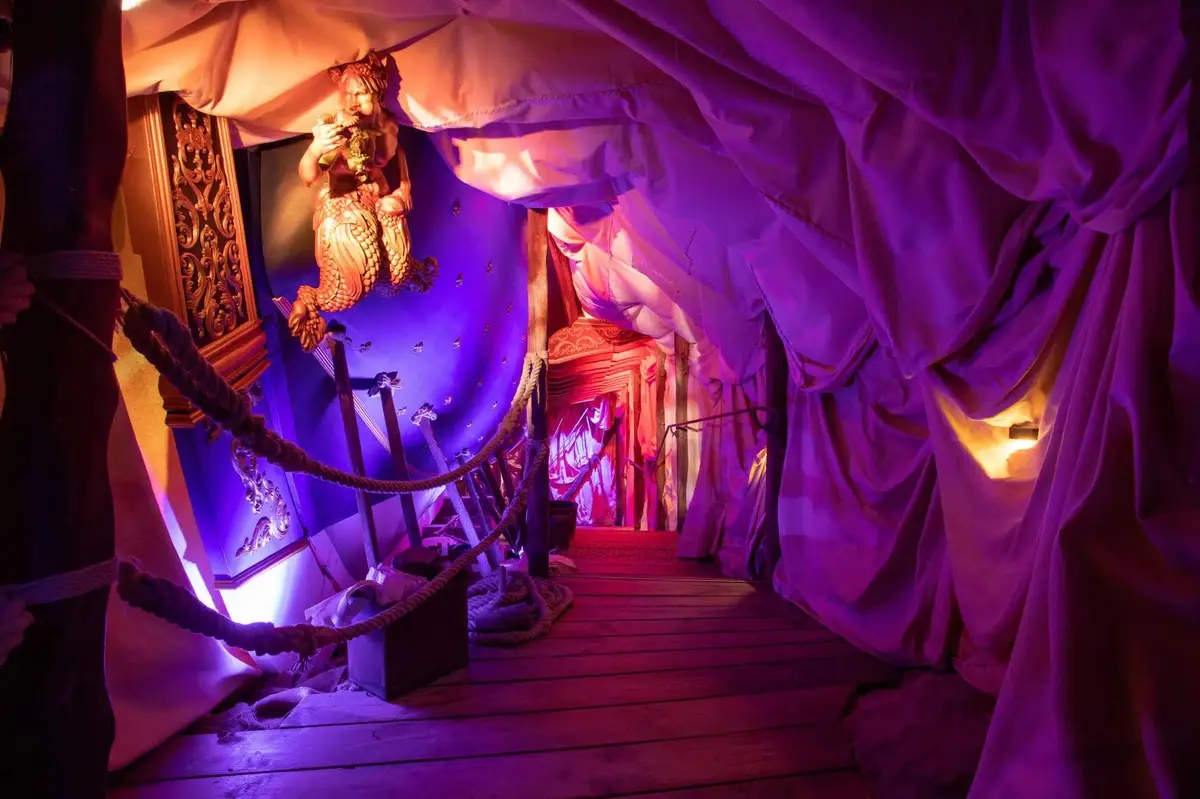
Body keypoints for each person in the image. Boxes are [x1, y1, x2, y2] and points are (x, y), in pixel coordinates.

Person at [285, 51, 436, 351]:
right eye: (347, 94)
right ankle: (311, 301)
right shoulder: (338, 130)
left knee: (395, 278)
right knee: (353, 288)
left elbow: (398, 153)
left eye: (361, 93)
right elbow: (308, 175)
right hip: (346, 207)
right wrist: (316, 148)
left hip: (378, 200)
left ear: (377, 93)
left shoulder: (390, 126)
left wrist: (405, 186)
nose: (352, 102)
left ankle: (410, 271)